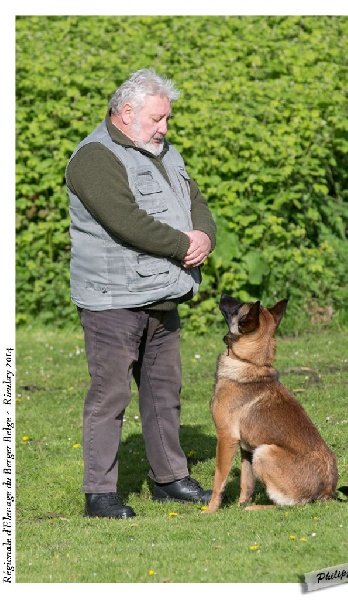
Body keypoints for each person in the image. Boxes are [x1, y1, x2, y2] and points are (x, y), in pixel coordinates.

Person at [66, 68, 217, 518]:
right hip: (114, 299)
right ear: (126, 112)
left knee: (163, 391)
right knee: (110, 396)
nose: (164, 128)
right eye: (157, 119)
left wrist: (205, 236)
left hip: (162, 291)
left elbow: (196, 201)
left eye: (167, 118)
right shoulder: (94, 158)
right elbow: (124, 221)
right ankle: (100, 494)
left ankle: (169, 479)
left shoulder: (164, 151)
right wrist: (182, 244)